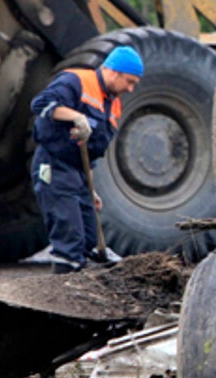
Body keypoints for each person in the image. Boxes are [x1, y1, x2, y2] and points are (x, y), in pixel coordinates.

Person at [31, 46, 143, 273]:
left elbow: (91, 151)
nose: (131, 89)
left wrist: (90, 188)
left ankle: (83, 284)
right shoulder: (77, 81)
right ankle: (63, 291)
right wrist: (76, 117)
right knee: (69, 236)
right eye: (129, 82)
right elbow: (40, 104)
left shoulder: (114, 103)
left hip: (78, 172)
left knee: (90, 238)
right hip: (54, 164)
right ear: (113, 72)